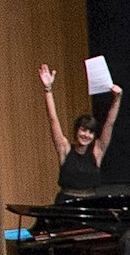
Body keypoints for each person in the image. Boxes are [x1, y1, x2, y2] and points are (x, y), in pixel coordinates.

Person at [40, 62, 120, 200]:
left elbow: (109, 124)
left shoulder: (97, 151)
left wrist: (117, 99)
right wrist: (48, 89)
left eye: (90, 132)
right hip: (66, 202)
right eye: (83, 130)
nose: (86, 135)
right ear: (76, 130)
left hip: (90, 203)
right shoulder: (64, 148)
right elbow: (53, 119)